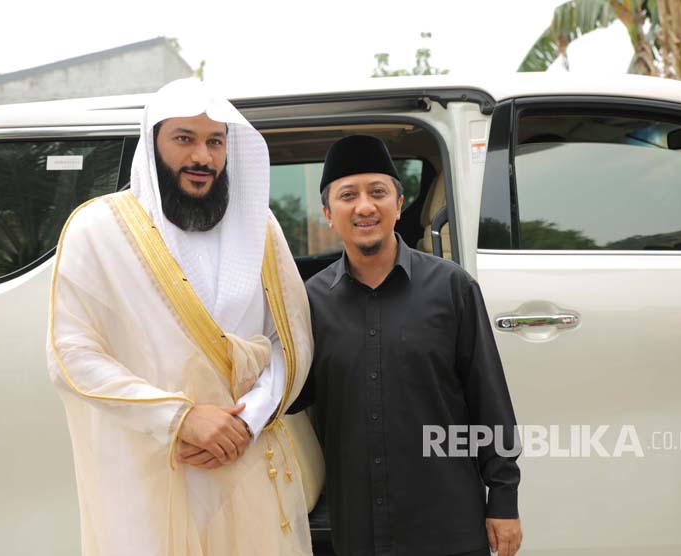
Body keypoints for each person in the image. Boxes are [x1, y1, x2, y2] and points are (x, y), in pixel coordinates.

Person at [46, 79, 317, 556]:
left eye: (215, 141)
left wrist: (247, 422)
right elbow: (71, 354)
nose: (203, 157)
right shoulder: (99, 230)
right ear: (153, 144)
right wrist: (180, 419)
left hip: (245, 462)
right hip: (154, 465)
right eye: (184, 139)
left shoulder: (261, 227)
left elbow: (289, 339)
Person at [290, 135, 522, 556]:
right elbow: (285, 395)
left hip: (449, 526)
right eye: (348, 196)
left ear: (398, 204)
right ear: (328, 213)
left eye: (378, 192)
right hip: (358, 532)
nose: (364, 206)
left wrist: (503, 499)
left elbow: (489, 401)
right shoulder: (309, 303)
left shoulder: (452, 287)